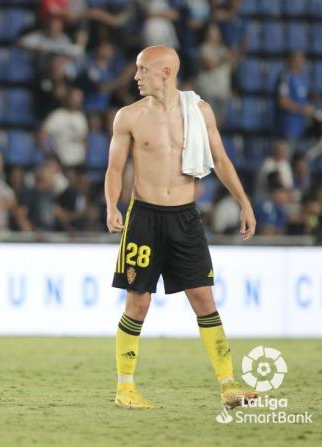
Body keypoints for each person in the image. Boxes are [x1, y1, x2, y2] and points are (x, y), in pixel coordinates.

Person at [104, 45, 258, 410]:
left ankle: (228, 385)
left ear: (166, 72)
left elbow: (220, 159)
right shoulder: (128, 116)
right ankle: (125, 388)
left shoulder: (199, 111)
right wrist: (112, 205)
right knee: (137, 303)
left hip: (185, 218)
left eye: (143, 69)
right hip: (143, 219)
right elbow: (114, 168)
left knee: (204, 300)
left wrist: (244, 202)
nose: (136, 76)